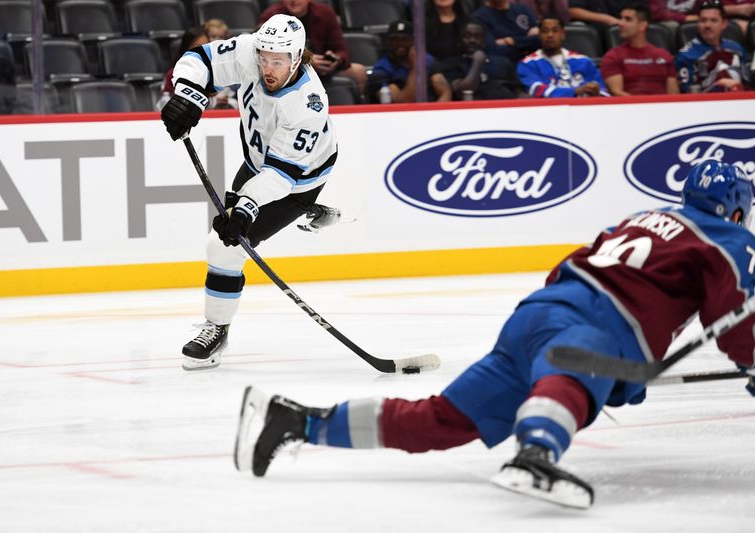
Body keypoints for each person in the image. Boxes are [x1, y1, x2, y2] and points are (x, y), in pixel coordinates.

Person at [233, 159, 755, 509]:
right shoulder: (728, 239)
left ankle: (298, 422)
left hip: (537, 315)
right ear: (735, 209)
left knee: (443, 420)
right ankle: (536, 455)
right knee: (573, 375)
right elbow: (736, 320)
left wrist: (618, 369)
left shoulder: (642, 218)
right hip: (587, 327)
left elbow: (569, 268)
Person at [160, 14, 339, 370]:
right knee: (228, 234)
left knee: (222, 248)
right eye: (264, 58)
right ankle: (306, 214)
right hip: (261, 163)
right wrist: (189, 95)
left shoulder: (308, 105)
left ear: (298, 57)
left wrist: (246, 206)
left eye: (278, 61)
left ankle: (216, 329)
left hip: (297, 180)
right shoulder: (250, 51)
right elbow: (198, 60)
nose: (268, 67)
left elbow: (281, 175)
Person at [259, 0, 367, 96]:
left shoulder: (325, 13)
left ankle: (357, 111)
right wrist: (306, 61)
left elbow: (341, 49)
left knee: (358, 71)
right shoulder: (272, 17)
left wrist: (336, 60)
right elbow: (262, 53)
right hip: (286, 69)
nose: (293, 1)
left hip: (323, 69)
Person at [517, 15, 609, 97]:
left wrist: (596, 91)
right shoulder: (528, 64)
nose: (550, 35)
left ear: (563, 34)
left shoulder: (583, 61)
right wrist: (575, 91)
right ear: (539, 35)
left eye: (555, 30)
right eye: (545, 31)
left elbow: (603, 91)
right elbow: (536, 90)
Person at [366, 19, 452, 102]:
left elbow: (445, 92)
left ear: (413, 41)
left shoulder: (427, 60)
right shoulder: (381, 71)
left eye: (405, 39)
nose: (400, 44)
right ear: (387, 42)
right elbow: (404, 103)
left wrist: (435, 112)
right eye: (395, 39)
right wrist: (415, 69)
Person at [601, 4, 679, 95]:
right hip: (629, 107)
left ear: (642, 25)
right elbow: (616, 92)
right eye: (621, 18)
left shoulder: (663, 55)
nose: (621, 23)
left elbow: (673, 94)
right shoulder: (613, 56)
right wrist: (644, 107)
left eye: (628, 19)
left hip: (662, 107)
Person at [675, 0, 749, 92]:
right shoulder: (686, 55)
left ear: (724, 24)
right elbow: (687, 95)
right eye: (703, 20)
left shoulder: (737, 48)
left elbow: (748, 83)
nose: (707, 25)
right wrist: (717, 85)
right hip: (706, 104)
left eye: (714, 20)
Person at [441, 20, 519, 99]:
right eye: (467, 36)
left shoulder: (503, 62)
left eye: (477, 36)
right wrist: (477, 62)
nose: (472, 40)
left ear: (484, 41)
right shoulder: (451, 64)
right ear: (460, 40)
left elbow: (519, 90)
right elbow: (463, 92)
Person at [473, 0, 542, 62]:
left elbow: (541, 38)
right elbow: (494, 49)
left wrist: (510, 41)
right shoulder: (480, 17)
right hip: (509, 64)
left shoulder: (522, 9)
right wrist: (527, 41)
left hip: (535, 60)